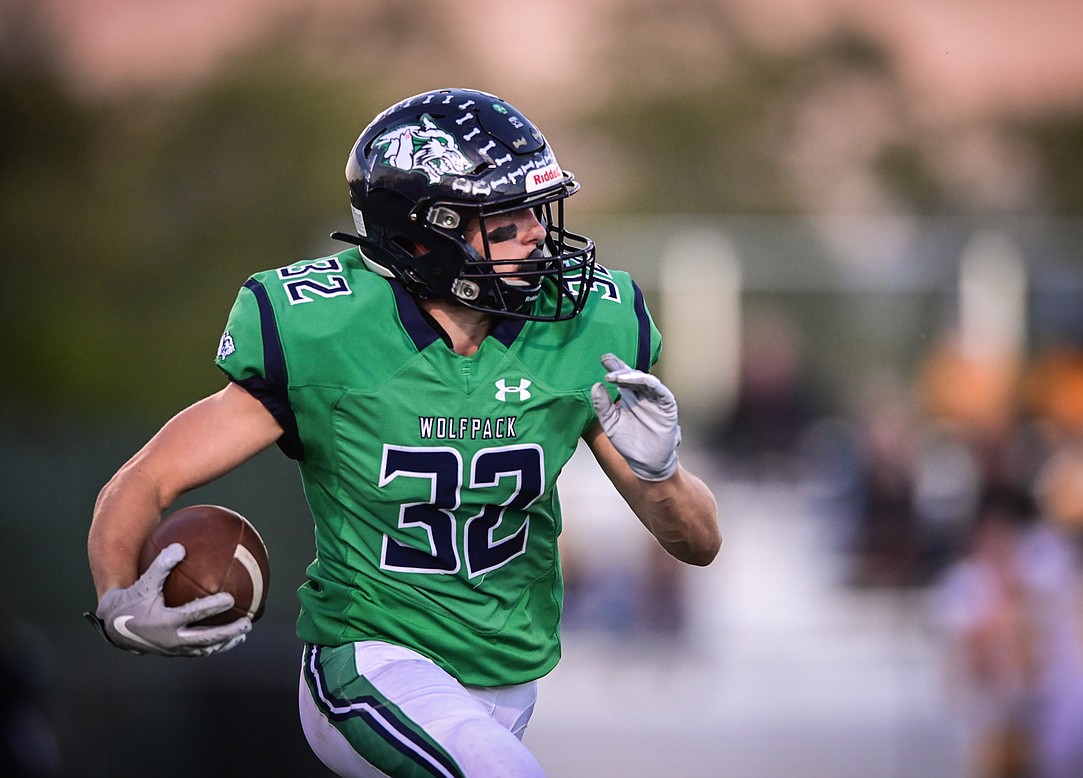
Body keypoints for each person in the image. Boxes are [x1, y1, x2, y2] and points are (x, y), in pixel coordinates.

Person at [84, 87, 721, 777]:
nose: (538, 232)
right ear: (426, 234)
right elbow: (149, 476)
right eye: (506, 217)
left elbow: (699, 544)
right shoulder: (330, 332)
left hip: (507, 682)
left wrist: (663, 477)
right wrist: (117, 594)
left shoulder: (581, 328)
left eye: (537, 209)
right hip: (368, 663)